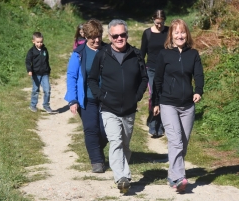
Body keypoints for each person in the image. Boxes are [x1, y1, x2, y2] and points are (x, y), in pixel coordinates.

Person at [88, 19, 148, 191]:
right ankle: (122, 177)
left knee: (125, 145)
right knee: (115, 141)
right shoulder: (102, 54)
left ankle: (122, 173)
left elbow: (144, 78)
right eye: (115, 36)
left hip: (129, 109)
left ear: (127, 35)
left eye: (122, 35)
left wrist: (136, 96)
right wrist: (101, 96)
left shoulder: (136, 54)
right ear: (110, 36)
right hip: (109, 108)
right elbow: (92, 79)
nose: (119, 38)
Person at [153, 19, 204, 193]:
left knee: (183, 142)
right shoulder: (164, 54)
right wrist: (156, 101)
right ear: (171, 36)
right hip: (168, 104)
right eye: (176, 33)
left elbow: (198, 74)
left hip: (187, 105)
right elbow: (157, 79)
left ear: (186, 34)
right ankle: (179, 178)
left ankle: (172, 175)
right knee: (175, 141)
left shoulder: (193, 54)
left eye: (182, 32)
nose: (180, 35)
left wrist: (198, 91)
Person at [65, 19, 108, 173]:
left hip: (106, 98)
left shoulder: (108, 50)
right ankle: (96, 161)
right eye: (93, 37)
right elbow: (71, 76)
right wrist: (73, 99)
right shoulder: (79, 53)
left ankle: (96, 149)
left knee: (106, 131)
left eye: (99, 36)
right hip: (87, 98)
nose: (97, 40)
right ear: (86, 37)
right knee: (91, 128)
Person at [140, 9, 168, 138]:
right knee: (153, 95)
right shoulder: (147, 33)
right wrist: (139, 70)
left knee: (163, 95)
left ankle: (161, 123)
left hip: (166, 69)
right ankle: (152, 123)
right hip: (151, 69)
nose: (159, 25)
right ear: (153, 20)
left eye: (161, 23)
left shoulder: (168, 32)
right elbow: (142, 53)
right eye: (157, 23)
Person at [26, 32, 54, 113]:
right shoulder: (31, 51)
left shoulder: (45, 50)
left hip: (45, 73)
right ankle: (33, 105)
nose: (40, 44)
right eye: (38, 42)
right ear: (33, 41)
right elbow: (28, 61)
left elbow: (47, 61)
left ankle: (46, 105)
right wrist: (29, 70)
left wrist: (48, 70)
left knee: (47, 90)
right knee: (36, 90)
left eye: (41, 42)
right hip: (35, 74)